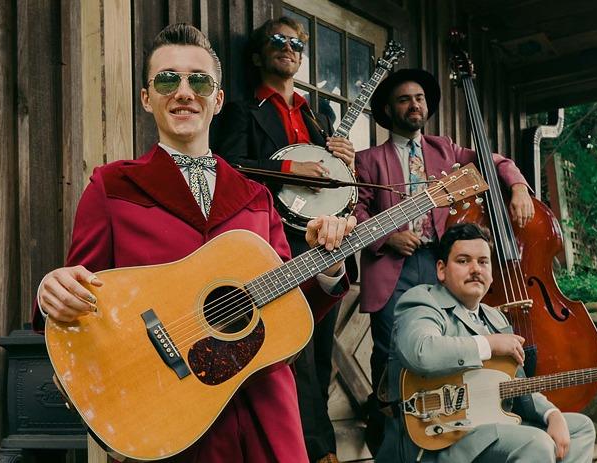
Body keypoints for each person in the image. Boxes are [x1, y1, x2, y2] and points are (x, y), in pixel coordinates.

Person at [32, 23, 357, 463]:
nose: (184, 91)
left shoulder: (257, 197)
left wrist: (328, 268)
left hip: (264, 415)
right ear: (147, 98)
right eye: (167, 79)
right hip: (169, 420)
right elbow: (80, 293)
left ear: (217, 99)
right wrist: (54, 290)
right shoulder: (112, 186)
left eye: (199, 81)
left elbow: (288, 313)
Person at [353, 68, 535, 451]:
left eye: (419, 98)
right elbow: (357, 214)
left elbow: (493, 161)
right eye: (404, 99)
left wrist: (517, 185)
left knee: (448, 346)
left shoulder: (445, 150)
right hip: (393, 267)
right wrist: (388, 236)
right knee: (391, 360)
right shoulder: (368, 160)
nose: (414, 104)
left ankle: (446, 438)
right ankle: (394, 446)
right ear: (389, 109)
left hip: (441, 264)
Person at [215, 16, 356, 463]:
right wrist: (291, 171)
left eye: (297, 44)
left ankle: (320, 449)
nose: (289, 48)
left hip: (322, 239)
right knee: (295, 350)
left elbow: (333, 174)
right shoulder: (243, 110)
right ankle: (313, 452)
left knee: (319, 347)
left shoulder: (320, 114)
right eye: (278, 41)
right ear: (258, 56)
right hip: (275, 239)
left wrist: (342, 159)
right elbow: (229, 165)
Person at [378, 222, 595, 462]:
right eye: (463, 261)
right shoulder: (422, 301)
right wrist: (488, 344)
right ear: (441, 270)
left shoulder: (494, 317)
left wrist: (552, 414)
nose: (475, 269)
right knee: (536, 442)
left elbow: (517, 382)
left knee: (579, 428)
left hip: (490, 427)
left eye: (483, 261)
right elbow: (421, 352)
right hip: (439, 441)